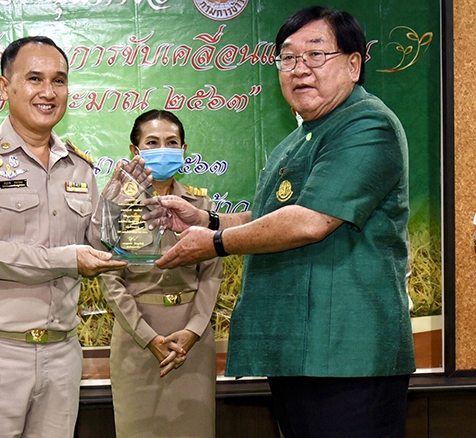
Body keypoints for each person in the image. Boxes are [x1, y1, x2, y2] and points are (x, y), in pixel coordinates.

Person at [143, 7, 415, 438]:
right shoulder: (301, 137)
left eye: (316, 54)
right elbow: (273, 216)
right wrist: (208, 219)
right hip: (298, 352)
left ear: (353, 64)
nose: (300, 69)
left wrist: (216, 243)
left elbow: (311, 221)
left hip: (347, 356)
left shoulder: (366, 125)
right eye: (288, 58)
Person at [0, 36, 148, 438]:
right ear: (5, 87)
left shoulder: (79, 166)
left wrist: (117, 208)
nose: (49, 92)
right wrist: (64, 259)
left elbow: (94, 248)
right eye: (34, 78)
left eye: (59, 80)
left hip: (62, 353)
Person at [98, 110, 224, 438]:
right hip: (137, 339)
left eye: (171, 142)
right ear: (134, 150)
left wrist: (193, 330)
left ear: (184, 149)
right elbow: (109, 277)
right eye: (152, 143)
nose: (163, 149)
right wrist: (147, 337)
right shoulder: (114, 204)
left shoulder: (200, 204)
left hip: (192, 341)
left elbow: (212, 273)